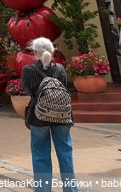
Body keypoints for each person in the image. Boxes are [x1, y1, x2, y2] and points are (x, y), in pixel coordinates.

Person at [21, 37, 76, 192]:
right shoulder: (60, 68)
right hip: (62, 116)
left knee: (40, 155)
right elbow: (63, 88)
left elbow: (29, 91)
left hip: (38, 116)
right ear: (53, 52)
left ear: (34, 53)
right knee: (65, 153)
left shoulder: (28, 70)